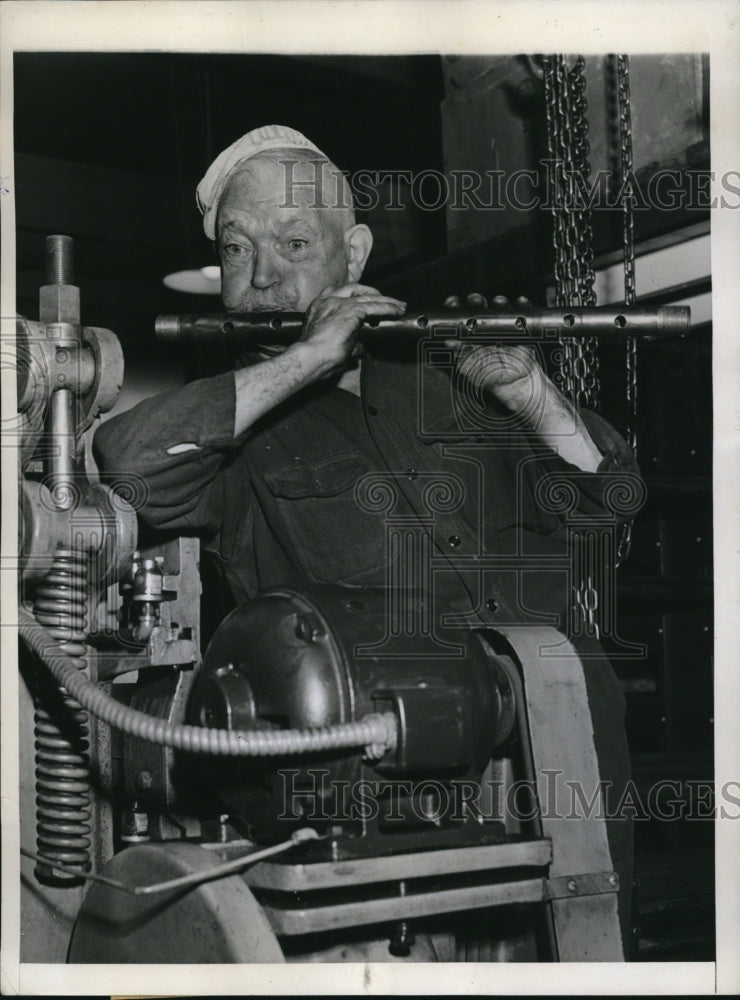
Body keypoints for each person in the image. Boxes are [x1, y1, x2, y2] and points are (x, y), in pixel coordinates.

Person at [94, 124, 636, 953]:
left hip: (568, 764)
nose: (263, 276)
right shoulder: (239, 436)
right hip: (389, 809)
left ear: (355, 255)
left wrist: (529, 391)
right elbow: (128, 467)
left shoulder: (457, 382)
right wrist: (308, 358)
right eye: (237, 252)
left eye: (294, 242)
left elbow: (610, 501)